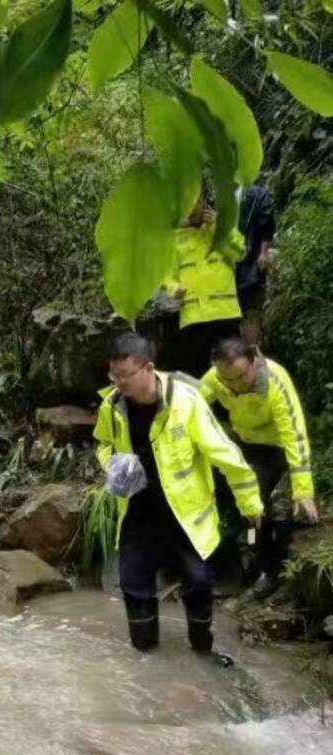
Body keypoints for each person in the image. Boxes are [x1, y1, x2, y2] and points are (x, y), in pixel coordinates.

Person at [94, 333, 263, 660]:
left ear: (148, 368)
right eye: (113, 376)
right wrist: (112, 464)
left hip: (185, 514)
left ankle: (202, 649)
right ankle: (146, 658)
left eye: (125, 375)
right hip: (138, 509)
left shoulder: (185, 402)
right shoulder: (111, 406)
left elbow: (224, 453)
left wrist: (250, 502)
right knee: (133, 584)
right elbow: (102, 443)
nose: (119, 383)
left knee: (198, 583)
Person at [201, 339, 317, 597]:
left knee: (282, 509)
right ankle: (262, 568)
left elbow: (294, 436)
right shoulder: (216, 378)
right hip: (249, 444)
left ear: (254, 362)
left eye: (241, 378)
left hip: (280, 448)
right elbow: (191, 405)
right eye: (227, 380)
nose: (236, 386)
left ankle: (288, 572)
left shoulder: (274, 381)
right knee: (253, 508)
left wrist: (303, 490)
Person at [165, 194, 245, 377]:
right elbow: (166, 275)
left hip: (225, 312)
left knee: (235, 367)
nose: (192, 209)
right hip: (193, 317)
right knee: (196, 373)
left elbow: (239, 253)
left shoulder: (222, 228)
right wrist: (173, 288)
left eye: (196, 203)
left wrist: (219, 227)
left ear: (205, 203)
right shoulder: (174, 238)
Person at [236, 184, 276, 348]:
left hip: (249, 262)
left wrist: (263, 252)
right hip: (227, 265)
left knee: (251, 309)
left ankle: (252, 350)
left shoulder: (257, 194)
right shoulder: (218, 192)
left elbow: (267, 224)